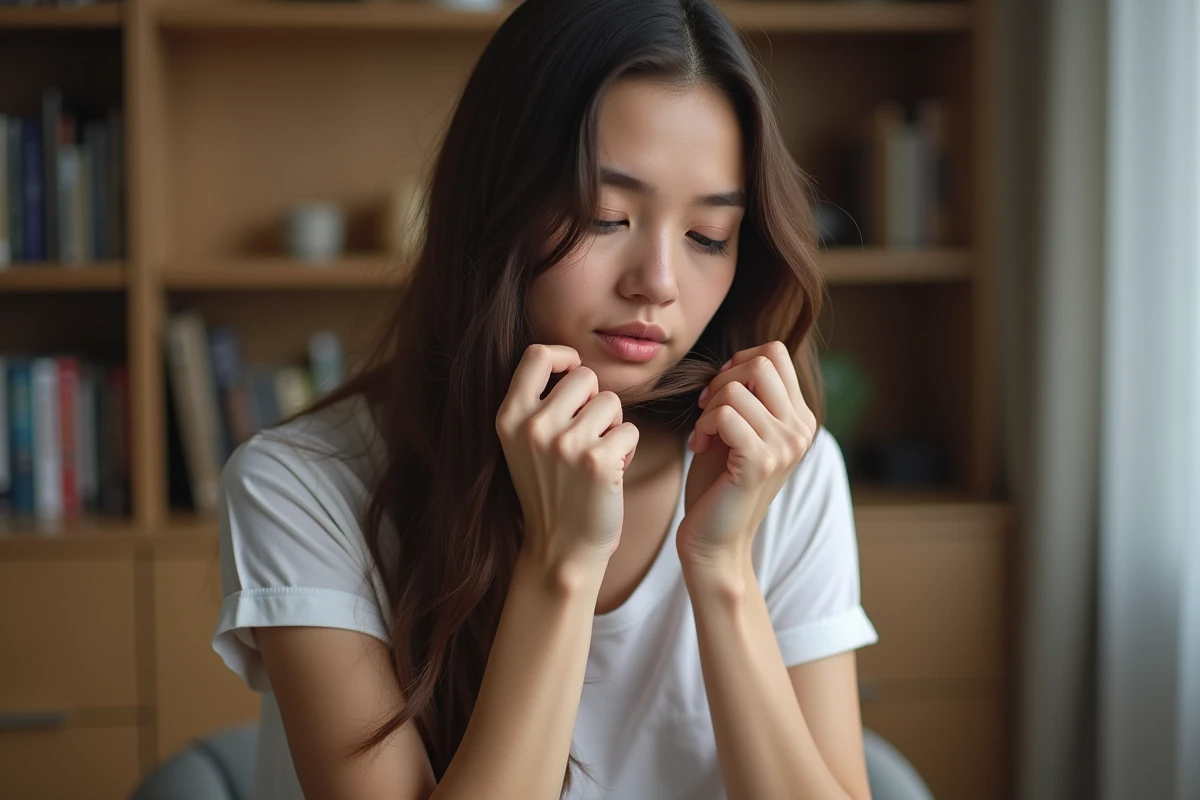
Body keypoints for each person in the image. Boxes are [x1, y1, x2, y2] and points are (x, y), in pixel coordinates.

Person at [211, 0, 879, 798]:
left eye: (708, 236)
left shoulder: (778, 474)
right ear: (496, 205)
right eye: (605, 217)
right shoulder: (303, 484)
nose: (658, 283)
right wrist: (560, 564)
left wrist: (722, 568)